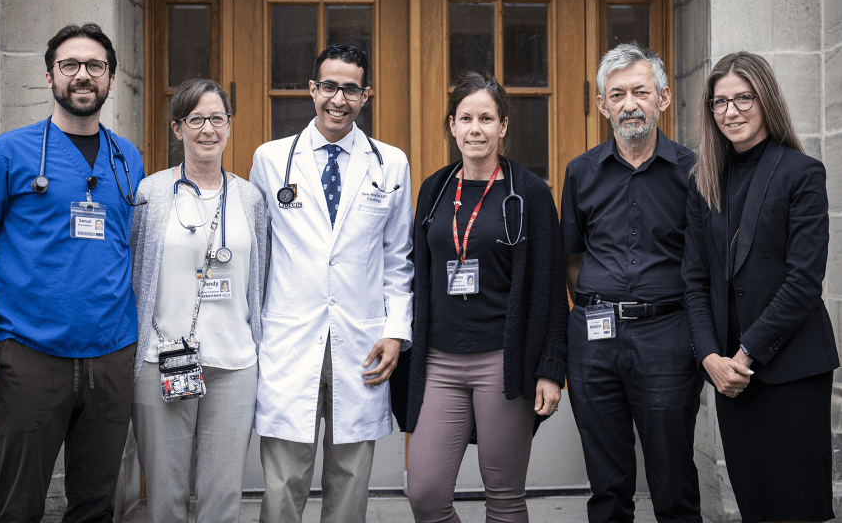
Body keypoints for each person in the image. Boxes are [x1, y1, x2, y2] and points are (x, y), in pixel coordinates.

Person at [0, 23, 145, 522]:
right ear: (50, 76)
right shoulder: (10, 152)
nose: (83, 75)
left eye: (95, 66)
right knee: (18, 505)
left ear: (111, 78)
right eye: (70, 65)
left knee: (97, 506)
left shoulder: (128, 159)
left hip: (112, 354)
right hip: (33, 355)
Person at [248, 44, 414, 523]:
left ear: (367, 94)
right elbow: (258, 255)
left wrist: (395, 331)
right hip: (290, 339)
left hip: (362, 341)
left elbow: (397, 258)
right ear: (312, 90)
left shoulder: (391, 164)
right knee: (282, 485)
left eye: (350, 89)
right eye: (329, 87)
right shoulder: (271, 159)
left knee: (350, 485)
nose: (337, 100)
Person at [395, 72, 568, 523]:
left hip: (503, 363)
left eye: (486, 118)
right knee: (426, 494)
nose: (476, 128)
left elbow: (550, 289)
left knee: (505, 499)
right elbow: (418, 273)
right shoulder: (434, 190)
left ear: (503, 126)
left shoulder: (529, 193)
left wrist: (551, 369)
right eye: (466, 118)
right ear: (452, 125)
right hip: (439, 362)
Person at [683, 52, 838, 522]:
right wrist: (710, 357)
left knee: (798, 507)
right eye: (720, 102)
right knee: (756, 505)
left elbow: (804, 281)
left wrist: (744, 355)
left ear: (765, 98)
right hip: (730, 377)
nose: (731, 111)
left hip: (788, 370)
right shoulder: (704, 181)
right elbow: (693, 278)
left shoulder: (802, 172)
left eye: (743, 97)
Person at [561, 42, 703, 523]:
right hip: (594, 340)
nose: (629, 103)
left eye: (640, 91)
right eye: (617, 94)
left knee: (673, 478)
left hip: (667, 337)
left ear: (662, 98)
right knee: (606, 482)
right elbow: (573, 256)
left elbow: (703, 263)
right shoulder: (581, 173)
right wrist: (599, 305)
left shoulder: (694, 172)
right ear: (603, 105)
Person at [129, 78, 268, 522]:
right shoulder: (150, 195)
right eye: (196, 119)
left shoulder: (250, 198)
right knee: (165, 494)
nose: (207, 129)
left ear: (229, 125)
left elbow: (260, 280)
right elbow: (132, 273)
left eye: (217, 119)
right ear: (177, 128)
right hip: (162, 360)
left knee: (222, 494)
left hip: (235, 363)